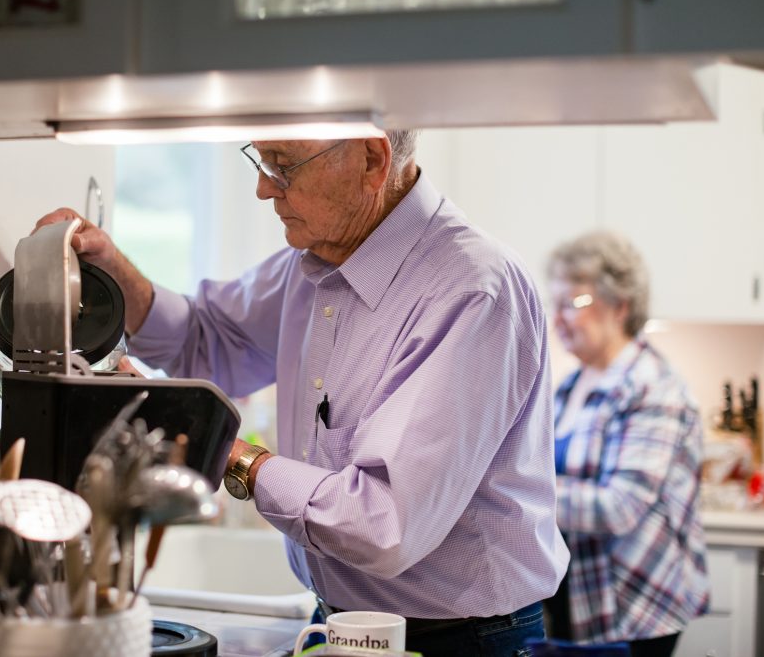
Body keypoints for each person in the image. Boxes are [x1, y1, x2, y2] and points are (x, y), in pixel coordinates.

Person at [35, 132, 569, 657]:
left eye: (283, 164)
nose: (264, 190)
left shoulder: (472, 289)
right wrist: (113, 268)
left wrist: (216, 443)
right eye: (260, 161)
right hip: (339, 620)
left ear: (371, 159)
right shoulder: (317, 260)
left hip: (463, 640)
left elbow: (380, 523)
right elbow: (210, 339)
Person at [543, 231, 709, 657]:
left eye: (573, 303)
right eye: (555, 303)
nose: (557, 318)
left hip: (634, 605)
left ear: (621, 305)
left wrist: (522, 494)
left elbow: (621, 506)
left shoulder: (652, 388)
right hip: (575, 596)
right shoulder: (571, 385)